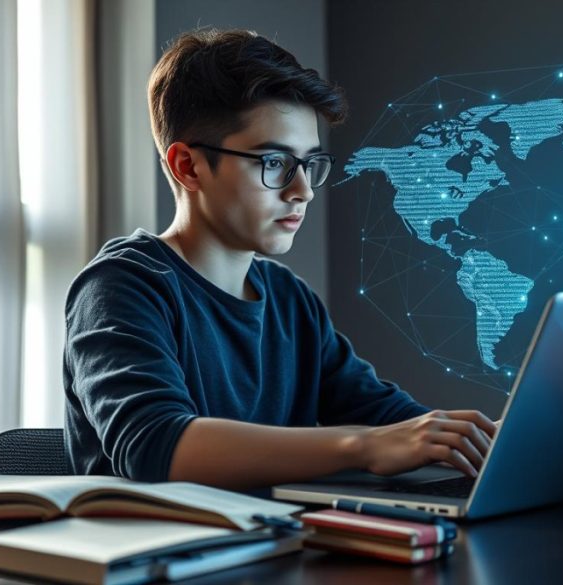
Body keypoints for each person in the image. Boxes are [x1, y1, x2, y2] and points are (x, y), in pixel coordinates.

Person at [63, 29, 496, 490]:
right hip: (155, 537)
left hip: (280, 535)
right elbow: (156, 446)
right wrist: (365, 446)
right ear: (188, 166)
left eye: (309, 164)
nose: (302, 190)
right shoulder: (120, 287)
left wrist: (491, 441)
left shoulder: (291, 300)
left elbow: (394, 424)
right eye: (274, 162)